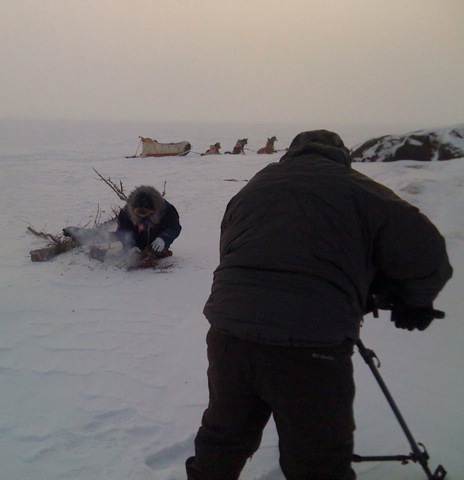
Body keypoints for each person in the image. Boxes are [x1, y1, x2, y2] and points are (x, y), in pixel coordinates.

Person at [186, 130, 453, 480]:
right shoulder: (358, 188)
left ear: (293, 153)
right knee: (317, 458)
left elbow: (232, 248)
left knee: (224, 436)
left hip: (229, 334)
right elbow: (426, 250)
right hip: (311, 346)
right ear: (341, 155)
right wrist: (413, 301)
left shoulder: (255, 186)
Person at [116, 185, 181, 260]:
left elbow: (174, 227)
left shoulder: (167, 210)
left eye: (146, 214)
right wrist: (130, 246)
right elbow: (122, 229)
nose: (143, 218)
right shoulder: (126, 211)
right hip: (133, 250)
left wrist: (163, 239)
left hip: (158, 248)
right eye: (139, 215)